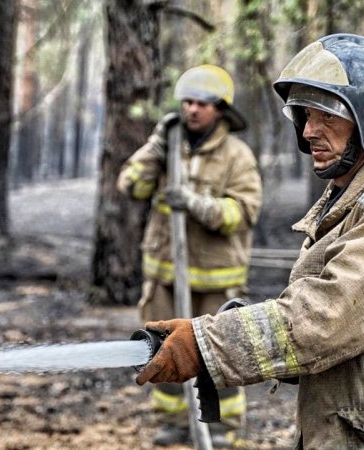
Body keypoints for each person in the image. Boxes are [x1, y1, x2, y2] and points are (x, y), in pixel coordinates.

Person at [135, 33, 364, 449]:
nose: (309, 130)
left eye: (327, 116)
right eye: (304, 116)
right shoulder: (358, 193)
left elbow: (329, 316)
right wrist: (240, 327)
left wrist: (209, 344)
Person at [118, 64, 262, 447]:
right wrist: (156, 148)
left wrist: (198, 205)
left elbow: (243, 212)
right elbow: (131, 185)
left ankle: (222, 429)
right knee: (162, 355)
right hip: (165, 277)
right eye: (188, 102)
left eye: (203, 103)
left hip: (216, 281)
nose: (193, 110)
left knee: (221, 357)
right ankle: (174, 423)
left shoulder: (237, 155)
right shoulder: (168, 148)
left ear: (221, 109)